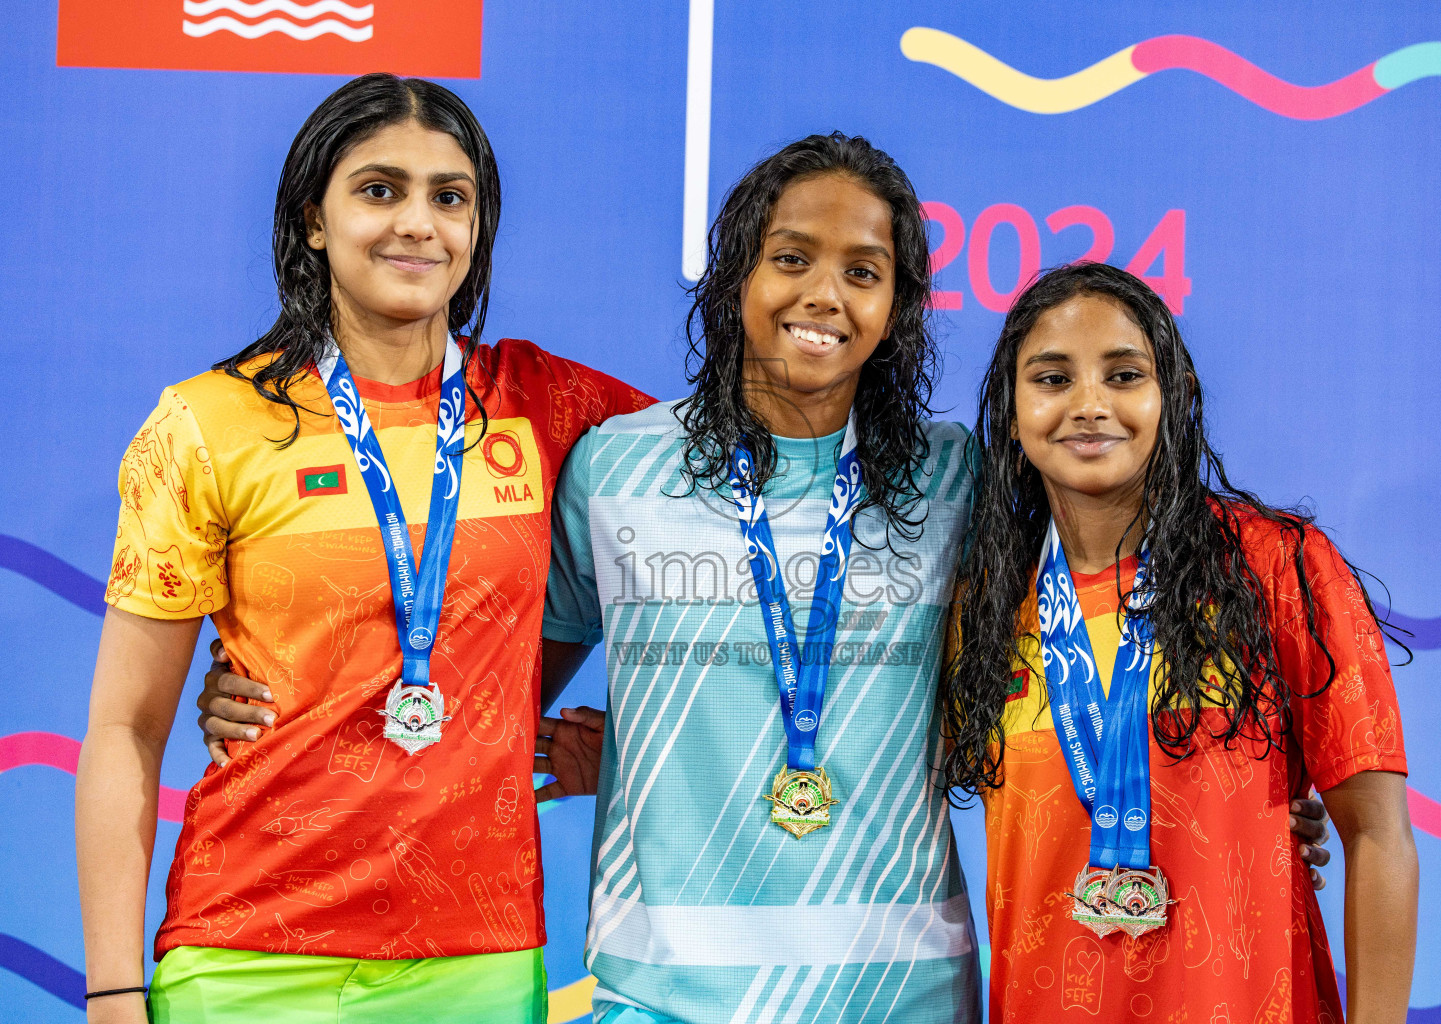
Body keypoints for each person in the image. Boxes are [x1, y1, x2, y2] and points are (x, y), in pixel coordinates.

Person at [193, 135, 1333, 1022]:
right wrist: (291, 695)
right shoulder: (616, 464)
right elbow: (482, 662)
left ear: (899, 307)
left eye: (863, 270)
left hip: (900, 989)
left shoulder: (961, 480)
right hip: (657, 986)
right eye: (790, 258)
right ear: (736, 271)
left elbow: (1092, 632)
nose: (821, 296)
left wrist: (1243, 795)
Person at [76, 73, 645, 1024]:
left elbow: (736, 482)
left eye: (448, 197)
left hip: (481, 956)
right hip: (246, 949)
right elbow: (124, 732)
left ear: (478, 226)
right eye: (379, 190)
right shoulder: (209, 424)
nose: (417, 223)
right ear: (313, 220)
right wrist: (112, 990)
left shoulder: (552, 407)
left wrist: (614, 738)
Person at [942, 262, 1418, 1023]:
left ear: (1176, 396)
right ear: (1011, 408)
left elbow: (1378, 834)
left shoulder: (1278, 568)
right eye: (1053, 379)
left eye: (1124, 375)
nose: (1090, 405)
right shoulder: (986, 608)